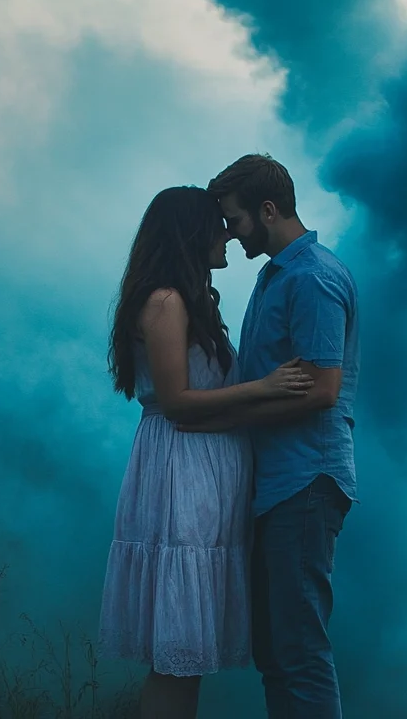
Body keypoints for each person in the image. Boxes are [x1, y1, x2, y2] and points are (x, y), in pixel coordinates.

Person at [98, 184, 313, 719]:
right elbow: (177, 401)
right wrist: (267, 388)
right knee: (177, 652)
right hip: (182, 470)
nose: (228, 235)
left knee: (186, 652)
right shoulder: (165, 301)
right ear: (192, 234)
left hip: (200, 468)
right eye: (218, 224)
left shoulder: (182, 300)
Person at [180, 154, 360, 718]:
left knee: (299, 650)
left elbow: (324, 389)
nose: (230, 235)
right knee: (277, 653)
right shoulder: (277, 273)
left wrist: (228, 412)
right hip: (278, 485)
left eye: (234, 221)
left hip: (304, 482)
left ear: (267, 209)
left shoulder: (312, 278)